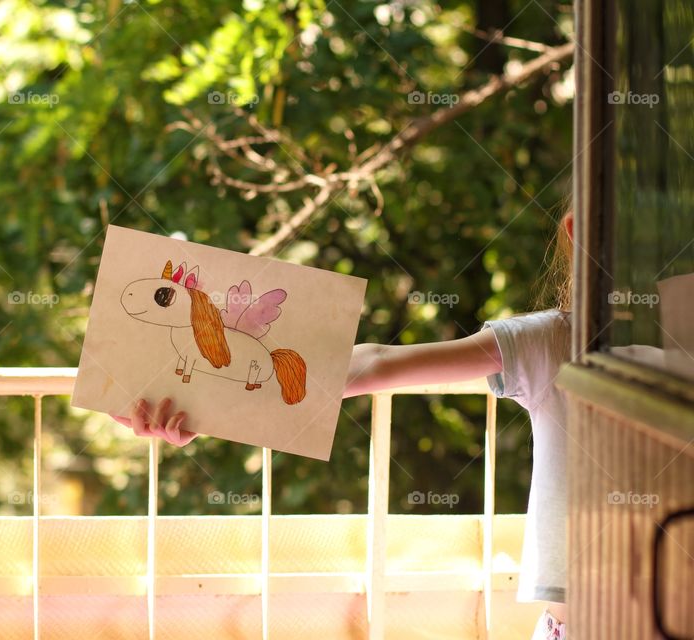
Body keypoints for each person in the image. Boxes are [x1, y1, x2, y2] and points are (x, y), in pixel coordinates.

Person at [111, 211, 574, 640]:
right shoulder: (553, 341)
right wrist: (201, 405)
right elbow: (373, 362)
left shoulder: (554, 343)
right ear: (577, 230)